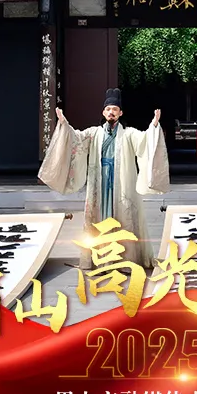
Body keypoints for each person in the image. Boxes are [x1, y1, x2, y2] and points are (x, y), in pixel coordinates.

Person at [38, 88, 169, 268]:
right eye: (108, 109)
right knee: (99, 217)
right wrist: (64, 124)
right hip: (100, 180)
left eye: (115, 109)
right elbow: (76, 138)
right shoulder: (94, 133)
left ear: (120, 113)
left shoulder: (128, 133)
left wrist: (153, 126)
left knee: (123, 217)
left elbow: (144, 141)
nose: (111, 112)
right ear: (103, 112)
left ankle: (125, 261)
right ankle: (99, 260)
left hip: (121, 181)